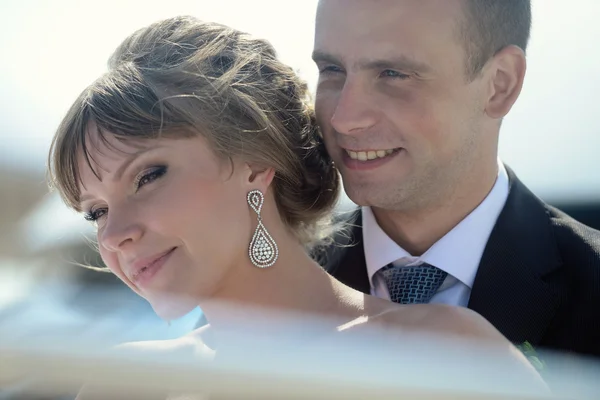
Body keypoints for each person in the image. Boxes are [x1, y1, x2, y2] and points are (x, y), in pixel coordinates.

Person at [47, 16, 547, 398]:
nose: (113, 237)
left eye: (148, 176)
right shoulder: (124, 383)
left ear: (254, 157)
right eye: (96, 212)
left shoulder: (439, 352)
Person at [312, 0, 600, 358]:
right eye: (331, 68)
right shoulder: (275, 291)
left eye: (392, 73)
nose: (343, 119)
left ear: (500, 85)